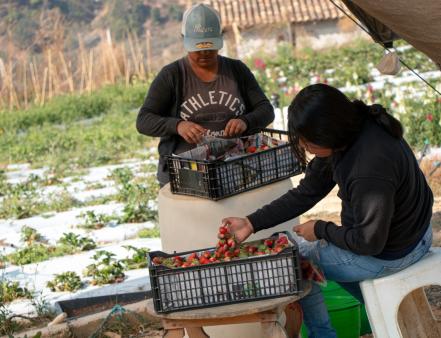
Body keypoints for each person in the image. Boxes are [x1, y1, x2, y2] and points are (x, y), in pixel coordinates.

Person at [222, 83, 433, 337]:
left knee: (296, 262)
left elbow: (369, 243)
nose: (305, 146)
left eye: (308, 141)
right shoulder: (351, 129)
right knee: (309, 256)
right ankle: (380, 310)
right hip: (409, 233)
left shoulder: (369, 165)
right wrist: (251, 222)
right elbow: (306, 192)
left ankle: (324, 335)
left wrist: (321, 229)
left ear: (326, 132)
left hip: (396, 249)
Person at [136, 3, 274, 187]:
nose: (204, 53)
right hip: (185, 172)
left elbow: (266, 110)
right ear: (184, 40)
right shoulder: (172, 75)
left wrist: (245, 121)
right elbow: (144, 120)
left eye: (210, 47)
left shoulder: (237, 70)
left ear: (219, 39)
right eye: (197, 49)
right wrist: (178, 125)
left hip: (235, 167)